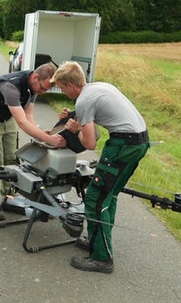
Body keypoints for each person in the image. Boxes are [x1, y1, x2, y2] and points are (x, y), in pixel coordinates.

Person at [51, 61, 149, 273]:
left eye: (61, 86)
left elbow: (90, 144)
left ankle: (102, 258)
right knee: (109, 194)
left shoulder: (83, 101)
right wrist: (75, 122)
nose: (61, 91)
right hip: (140, 142)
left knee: (96, 196)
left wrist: (76, 130)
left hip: (124, 145)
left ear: (70, 84)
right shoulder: (98, 87)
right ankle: (98, 242)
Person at [0, 63, 67, 220]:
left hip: (7, 118)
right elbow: (22, 123)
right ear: (36, 77)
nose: (43, 92)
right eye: (43, 88)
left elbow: (28, 115)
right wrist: (49, 139)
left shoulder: (34, 87)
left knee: (12, 160)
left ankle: (8, 200)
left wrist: (39, 135)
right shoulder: (11, 85)